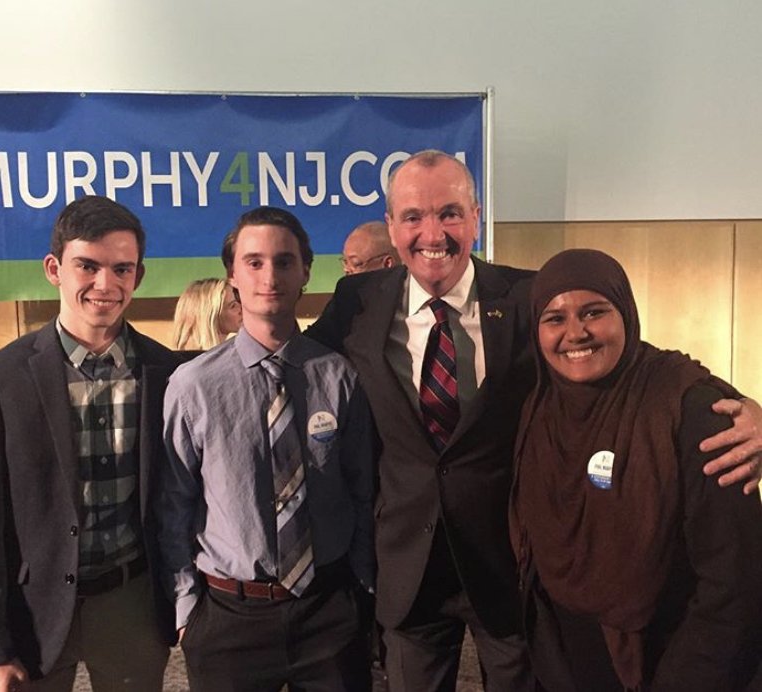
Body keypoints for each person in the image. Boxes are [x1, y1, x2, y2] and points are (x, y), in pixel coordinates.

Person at [305, 150, 762, 692]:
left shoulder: (527, 296)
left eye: (450, 213)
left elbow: (624, 353)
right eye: (413, 217)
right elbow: (293, 361)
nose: (433, 233)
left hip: (509, 561)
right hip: (408, 563)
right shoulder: (358, 301)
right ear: (391, 226)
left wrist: (741, 407)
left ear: (476, 216)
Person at [0, 196, 179, 692]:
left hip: (132, 604)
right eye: (87, 266)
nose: (105, 284)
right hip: (31, 611)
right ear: (54, 268)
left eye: (122, 268)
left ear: (138, 276)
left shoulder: (170, 373)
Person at [510, 248, 762, 691]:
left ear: (625, 310)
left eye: (594, 312)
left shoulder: (693, 410)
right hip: (568, 657)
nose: (576, 333)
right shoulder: (538, 408)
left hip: (672, 661)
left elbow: (734, 580)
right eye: (554, 319)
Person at [157, 206, 376, 691]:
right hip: (229, 619)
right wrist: (186, 608)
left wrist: (361, 590)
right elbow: (174, 505)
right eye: (253, 262)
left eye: (283, 261)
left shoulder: (338, 377)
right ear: (232, 275)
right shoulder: (193, 387)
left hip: (328, 614)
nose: (269, 276)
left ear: (305, 273)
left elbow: (363, 490)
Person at [171, 277, 242, 350]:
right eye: (233, 306)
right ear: (210, 315)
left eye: (240, 302)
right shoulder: (191, 358)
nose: (242, 310)